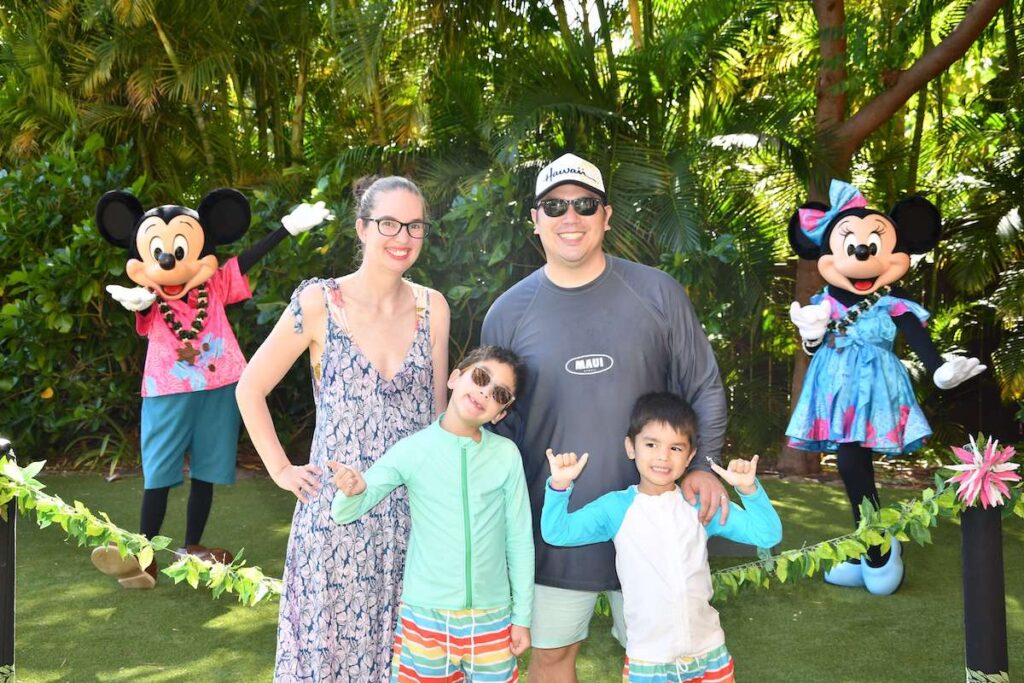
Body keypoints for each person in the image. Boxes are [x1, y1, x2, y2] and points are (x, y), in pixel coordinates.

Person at [481, 152, 730, 680]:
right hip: (551, 523)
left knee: (666, 660)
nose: (570, 217)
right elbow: (493, 426)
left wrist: (704, 464)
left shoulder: (657, 292)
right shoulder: (508, 312)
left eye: (584, 204)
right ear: (535, 220)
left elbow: (703, 384)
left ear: (606, 215)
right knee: (550, 655)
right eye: (554, 206)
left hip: (654, 517)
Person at [235, 176, 451, 681]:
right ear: (362, 228)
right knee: (327, 660)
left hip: (411, 520)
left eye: (414, 225)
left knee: (408, 661)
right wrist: (281, 470)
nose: (403, 237)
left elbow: (440, 421)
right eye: (389, 223)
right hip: (336, 521)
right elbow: (248, 389)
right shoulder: (318, 304)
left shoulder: (432, 307)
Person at [542, 392, 782, 683]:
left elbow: (767, 534)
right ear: (631, 447)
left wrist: (749, 490)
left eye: (676, 448)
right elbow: (557, 532)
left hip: (710, 653)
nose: (662, 456)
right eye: (651, 444)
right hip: (649, 660)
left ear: (690, 456)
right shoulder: (615, 508)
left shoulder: (699, 504)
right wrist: (559, 485)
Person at [331, 345, 534, 683]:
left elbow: (519, 539)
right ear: (455, 377)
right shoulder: (413, 449)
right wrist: (351, 490)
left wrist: (522, 616)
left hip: (493, 618)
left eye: (499, 393)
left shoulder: (506, 455)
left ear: (501, 413)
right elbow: (347, 510)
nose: (485, 392)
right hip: (425, 618)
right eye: (480, 377)